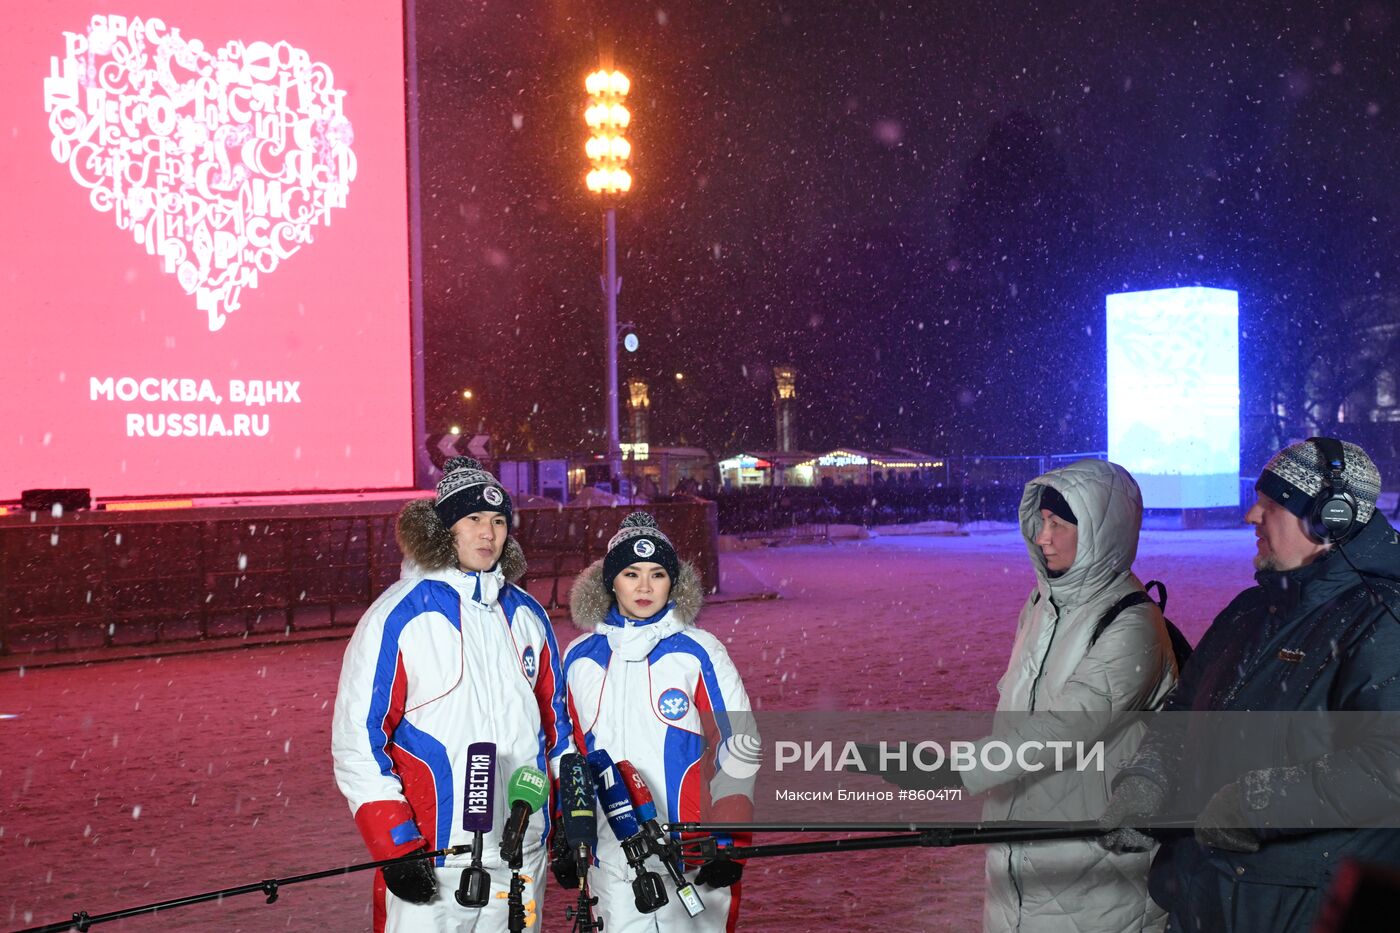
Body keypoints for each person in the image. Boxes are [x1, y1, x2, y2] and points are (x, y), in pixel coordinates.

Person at [1100, 438, 1400, 932]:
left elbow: (1390, 765)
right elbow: (1183, 713)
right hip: (1206, 899)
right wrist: (1148, 781)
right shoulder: (1249, 610)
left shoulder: (1384, 620)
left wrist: (1260, 802)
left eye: (1273, 504)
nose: (1251, 516)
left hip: (1298, 913)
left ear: (1330, 520)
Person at [910, 459, 1178, 931]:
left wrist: (956, 769)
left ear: (1101, 531)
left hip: (1093, 864)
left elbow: (1065, 725)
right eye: (1042, 521)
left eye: (1059, 524)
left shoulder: (1132, 624)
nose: (1042, 536)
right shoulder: (1043, 604)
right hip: (1020, 848)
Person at [331, 457, 572, 932]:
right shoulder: (397, 615)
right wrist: (395, 844)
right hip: (436, 854)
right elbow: (357, 740)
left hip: (521, 851)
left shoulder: (528, 615)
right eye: (474, 520)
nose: (489, 534)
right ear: (445, 530)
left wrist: (564, 821)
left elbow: (556, 732)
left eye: (499, 521)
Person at [561, 512, 757, 933]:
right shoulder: (578, 657)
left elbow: (738, 744)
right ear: (610, 581)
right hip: (612, 856)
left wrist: (729, 842)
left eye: (657, 574)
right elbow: (565, 754)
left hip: (692, 853)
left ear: (674, 582)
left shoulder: (699, 651)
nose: (645, 587)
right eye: (631, 573)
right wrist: (566, 834)